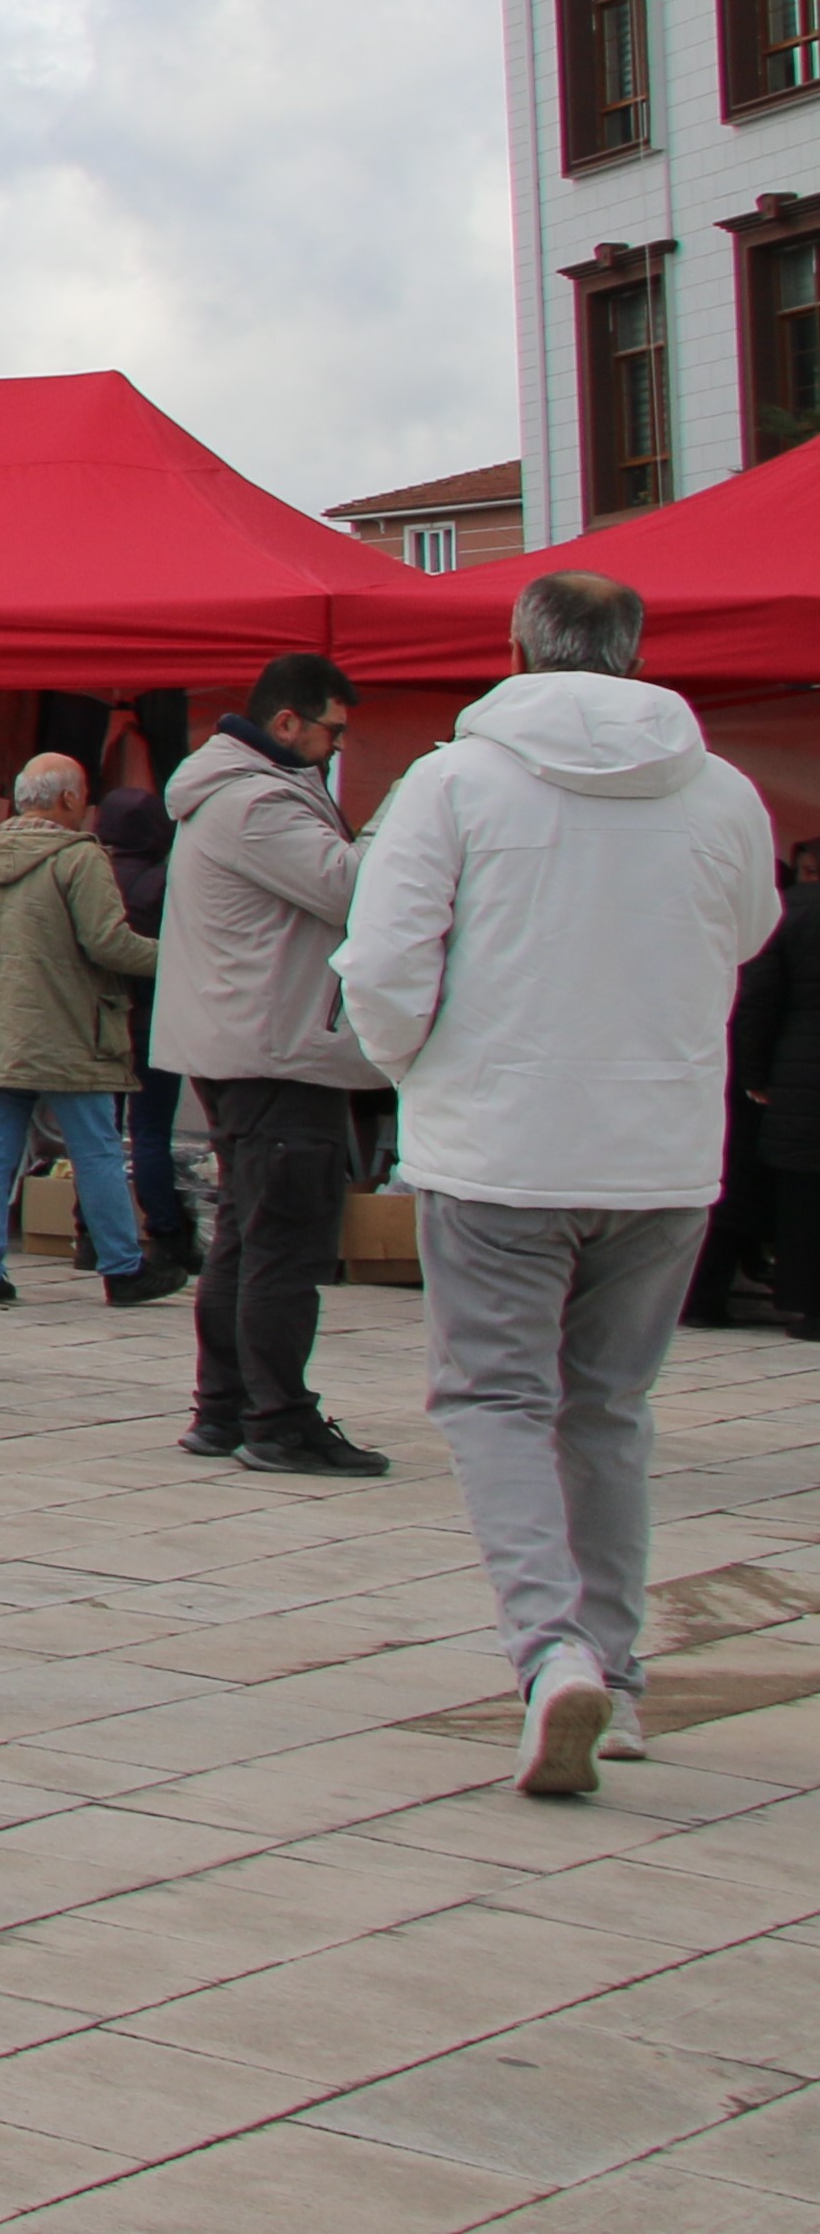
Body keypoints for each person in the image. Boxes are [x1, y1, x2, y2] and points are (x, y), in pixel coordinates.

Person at [339, 570, 778, 1797]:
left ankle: (548, 1651)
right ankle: (617, 1674)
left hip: (498, 1143)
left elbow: (380, 958)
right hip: (660, 1147)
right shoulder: (720, 789)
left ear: (520, 649)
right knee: (607, 1411)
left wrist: (415, 1067)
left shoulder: (453, 781)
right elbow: (746, 931)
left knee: (492, 1404)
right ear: (634, 654)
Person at [160, 655, 388, 1473]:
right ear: (284, 723)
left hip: (255, 1041)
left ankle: (224, 1408)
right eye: (331, 729)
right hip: (274, 1049)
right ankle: (277, 1420)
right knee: (283, 1242)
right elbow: (355, 886)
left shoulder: (238, 790)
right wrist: (404, 813)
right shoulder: (256, 801)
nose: (336, 746)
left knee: (245, 1237)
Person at [0, 753, 178, 1310]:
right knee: (95, 1145)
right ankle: (123, 1268)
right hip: (68, 1025)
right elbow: (109, 943)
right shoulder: (78, 857)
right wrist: (182, 957)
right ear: (70, 800)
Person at [95, 778, 199, 1276]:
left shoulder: (88, 874)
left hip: (101, 1020)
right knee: (152, 1132)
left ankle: (89, 1232)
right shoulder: (166, 880)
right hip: (155, 1019)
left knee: (100, 1136)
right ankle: (166, 1231)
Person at [721, 869, 820, 1340]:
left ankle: (808, 1304)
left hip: (800, 1069)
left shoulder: (791, 913)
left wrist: (755, 1073)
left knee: (803, 1192)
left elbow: (758, 999)